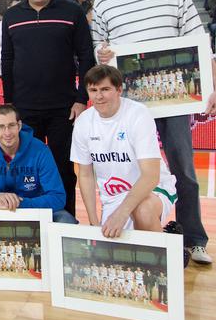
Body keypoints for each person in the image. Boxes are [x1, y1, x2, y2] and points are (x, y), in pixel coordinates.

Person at [91, 0, 215, 264]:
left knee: (183, 168)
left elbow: (197, 38)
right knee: (131, 168)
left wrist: (211, 84)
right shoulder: (105, 2)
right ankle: (138, 227)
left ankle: (194, 239)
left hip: (172, 100)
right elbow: (97, 50)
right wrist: (101, 54)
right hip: (128, 104)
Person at [1, 0, 96, 216]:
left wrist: (80, 99)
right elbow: (7, 61)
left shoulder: (72, 11)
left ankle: (65, 221)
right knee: (25, 170)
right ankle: (30, 223)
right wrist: (10, 105)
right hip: (24, 109)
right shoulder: (11, 17)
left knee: (62, 169)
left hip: (63, 109)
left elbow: (87, 56)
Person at [71, 65, 177, 238]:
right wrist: (93, 223)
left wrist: (121, 215)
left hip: (152, 189)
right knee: (108, 252)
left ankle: (168, 258)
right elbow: (85, 175)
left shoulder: (138, 114)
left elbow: (151, 176)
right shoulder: (84, 122)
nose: (99, 96)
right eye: (93, 90)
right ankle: (167, 236)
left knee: (142, 211)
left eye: (105, 89)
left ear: (119, 89)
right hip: (113, 196)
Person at [0, 104, 76, 223]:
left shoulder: (40, 150)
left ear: (19, 125)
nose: (7, 132)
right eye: (1, 127)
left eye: (11, 125)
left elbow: (58, 197)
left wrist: (18, 203)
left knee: (66, 220)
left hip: (32, 211)